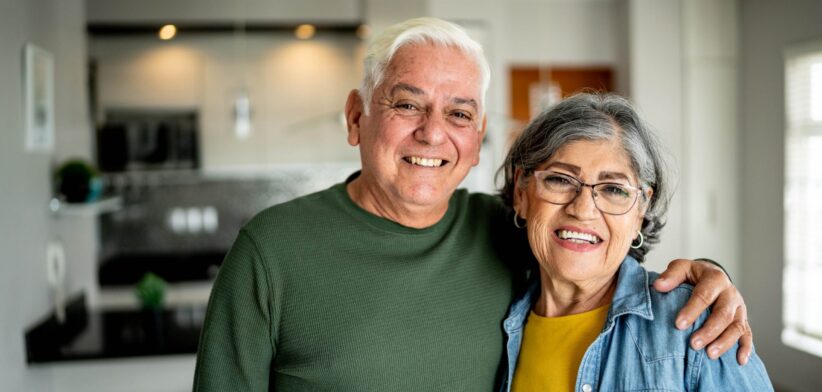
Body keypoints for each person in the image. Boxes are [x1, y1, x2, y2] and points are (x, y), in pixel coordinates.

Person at [193, 17, 752, 391]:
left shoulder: (507, 231)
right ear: (357, 116)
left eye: (458, 114)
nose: (433, 134)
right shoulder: (271, 250)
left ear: (478, 134)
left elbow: (598, 254)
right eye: (407, 104)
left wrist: (711, 278)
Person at [498, 92, 772, 391]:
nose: (582, 209)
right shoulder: (498, 318)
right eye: (560, 179)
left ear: (641, 211)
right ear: (521, 193)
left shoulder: (694, 323)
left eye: (614, 189)